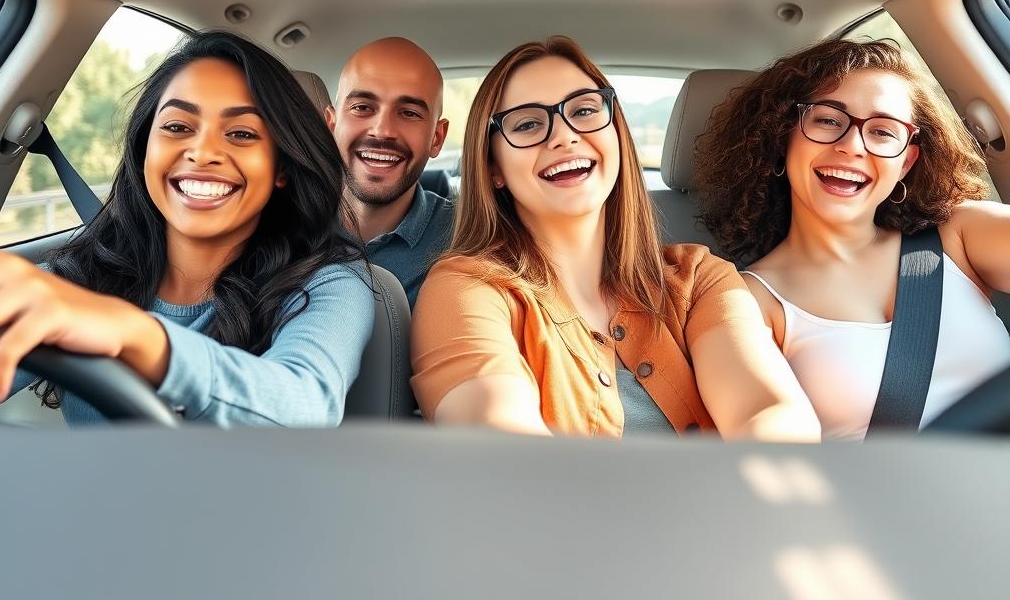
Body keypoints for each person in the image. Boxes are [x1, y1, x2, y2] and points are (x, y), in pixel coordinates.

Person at [410, 36, 820, 440]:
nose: (564, 136)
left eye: (585, 110)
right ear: (493, 167)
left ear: (617, 136)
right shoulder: (465, 289)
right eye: (529, 123)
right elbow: (499, 439)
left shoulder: (699, 279)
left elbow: (767, 410)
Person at [0, 31, 376, 426]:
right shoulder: (79, 277)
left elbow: (303, 406)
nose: (203, 152)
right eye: (177, 127)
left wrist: (137, 337)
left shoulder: (330, 286)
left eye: (241, 133)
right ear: (144, 151)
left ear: (281, 168)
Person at [693, 37, 1010, 439]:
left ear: (906, 160)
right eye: (827, 120)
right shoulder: (747, 299)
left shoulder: (960, 234)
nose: (851, 146)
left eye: (883, 131)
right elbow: (765, 427)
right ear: (781, 136)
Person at [327, 37, 454, 307]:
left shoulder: (468, 240)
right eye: (362, 107)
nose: (383, 131)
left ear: (437, 138)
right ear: (331, 124)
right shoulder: (280, 227)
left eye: (409, 113)